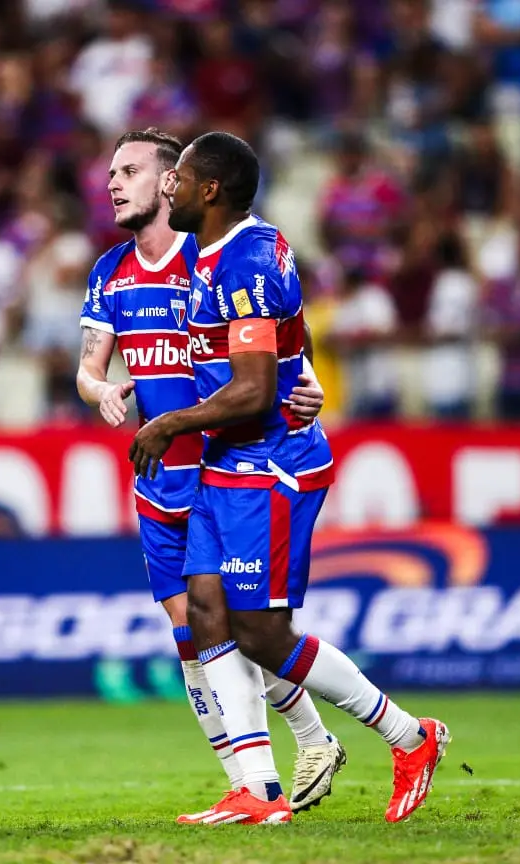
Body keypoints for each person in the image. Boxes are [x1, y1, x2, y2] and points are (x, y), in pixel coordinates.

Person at [130, 131, 450, 826]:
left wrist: (169, 423)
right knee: (207, 610)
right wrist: (295, 379)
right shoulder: (223, 251)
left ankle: (410, 735)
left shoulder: (244, 260)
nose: (169, 188)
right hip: (226, 460)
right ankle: (260, 791)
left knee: (262, 632)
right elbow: (286, 345)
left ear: (209, 190)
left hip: (268, 462)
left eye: (177, 178)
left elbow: (249, 390)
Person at [77, 128, 346, 816]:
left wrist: (306, 380)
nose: (113, 182)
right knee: (195, 641)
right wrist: (100, 388)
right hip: (157, 479)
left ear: (174, 183)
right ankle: (250, 782)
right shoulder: (110, 271)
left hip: (222, 466)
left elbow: (284, 328)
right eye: (111, 172)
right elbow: (88, 366)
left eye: (130, 170)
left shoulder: (211, 256)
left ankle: (309, 741)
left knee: (237, 625)